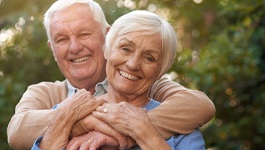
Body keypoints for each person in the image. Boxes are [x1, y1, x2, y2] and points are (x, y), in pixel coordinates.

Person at [7, 0, 215, 149]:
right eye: (61, 39)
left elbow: (199, 105)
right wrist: (77, 122)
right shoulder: (49, 98)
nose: (74, 47)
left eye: (84, 34)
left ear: (106, 38)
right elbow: (17, 132)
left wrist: (137, 129)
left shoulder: (156, 88)